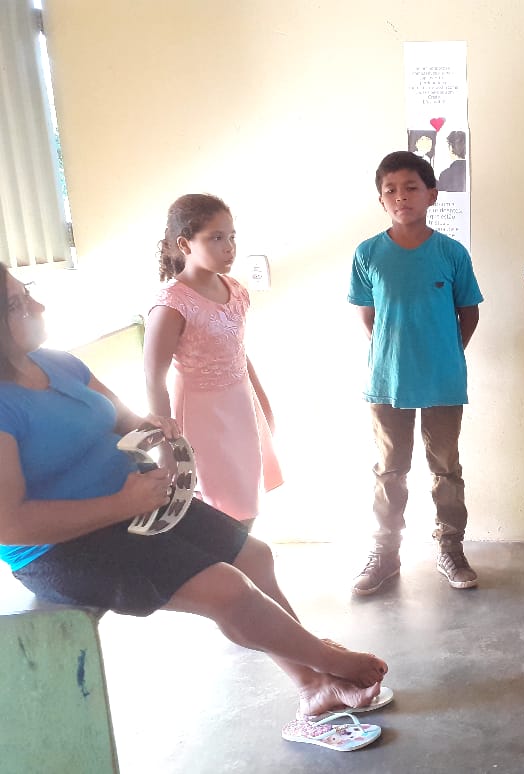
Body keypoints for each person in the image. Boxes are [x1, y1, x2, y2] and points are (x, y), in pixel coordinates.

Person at [0, 262, 390, 732]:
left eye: (29, 293)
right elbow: (11, 525)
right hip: (62, 546)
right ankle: (326, 661)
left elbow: (121, 418)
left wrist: (153, 426)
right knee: (228, 590)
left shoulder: (59, 363)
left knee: (255, 556)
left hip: (135, 501)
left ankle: (312, 685)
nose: (38, 306)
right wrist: (123, 505)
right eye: (20, 303)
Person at [348, 151, 484, 594]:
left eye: (410, 188)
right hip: (387, 381)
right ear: (380, 199)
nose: (400, 197)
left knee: (446, 468)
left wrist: (444, 352)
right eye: (390, 190)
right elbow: (370, 318)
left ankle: (450, 548)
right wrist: (397, 352)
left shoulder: (451, 252)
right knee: (390, 470)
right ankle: (385, 555)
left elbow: (469, 313)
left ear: (432, 194)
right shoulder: (368, 253)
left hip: (443, 380)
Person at [144, 194, 282, 532]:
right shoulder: (172, 304)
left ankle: (239, 565)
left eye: (232, 236)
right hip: (203, 416)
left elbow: (237, 350)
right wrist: (167, 444)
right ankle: (227, 568)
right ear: (184, 244)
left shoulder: (233, 288)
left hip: (239, 405)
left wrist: (261, 401)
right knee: (219, 503)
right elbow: (153, 378)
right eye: (216, 238)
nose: (229, 247)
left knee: (246, 495)